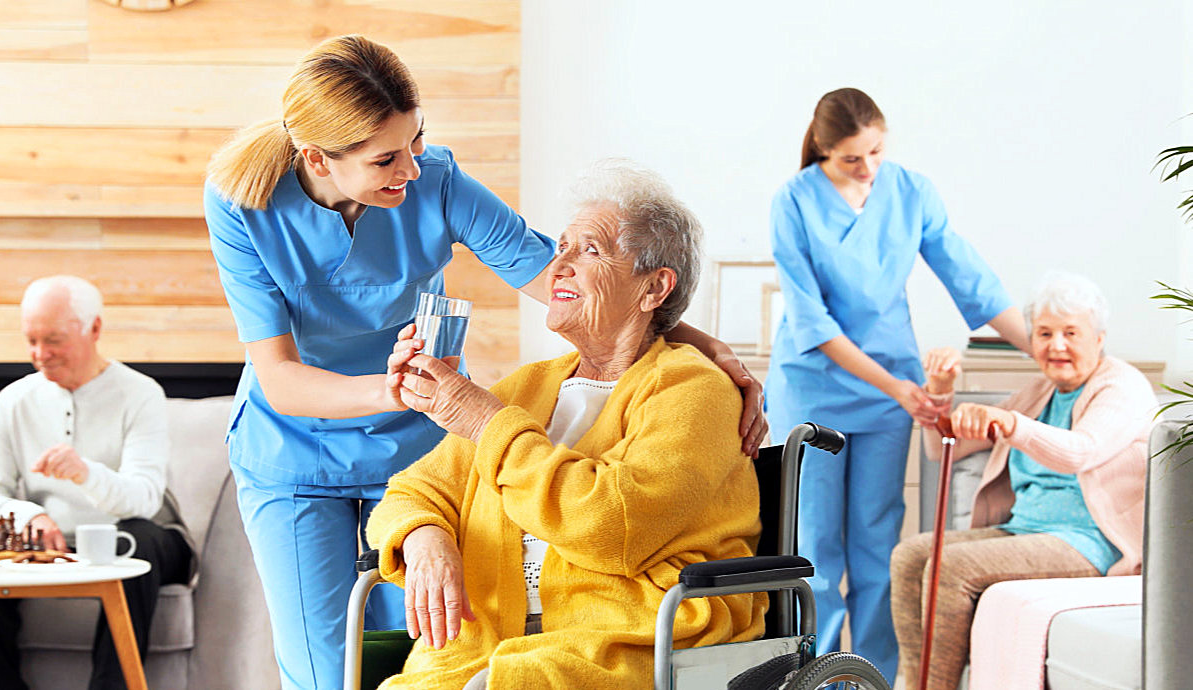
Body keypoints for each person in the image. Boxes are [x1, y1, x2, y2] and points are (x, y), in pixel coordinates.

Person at [204, 35, 769, 690]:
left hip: (414, 440)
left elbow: (560, 280)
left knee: (423, 644)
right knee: (326, 673)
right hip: (296, 443)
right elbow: (279, 377)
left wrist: (707, 348)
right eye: (386, 158)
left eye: (416, 142)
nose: (410, 170)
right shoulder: (243, 202)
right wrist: (413, 399)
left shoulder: (433, 180)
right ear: (318, 160)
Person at [365, 161, 764, 689]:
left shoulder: (691, 390)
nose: (559, 267)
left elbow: (612, 527)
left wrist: (486, 423)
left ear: (654, 288)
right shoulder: (527, 388)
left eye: (590, 250)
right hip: (491, 639)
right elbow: (413, 490)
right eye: (560, 248)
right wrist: (424, 540)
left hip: (625, 637)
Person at [765, 87, 1031, 678]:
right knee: (815, 547)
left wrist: (1040, 343)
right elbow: (814, 322)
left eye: (877, 152)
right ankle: (819, 677)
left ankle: (875, 675)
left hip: (890, 393)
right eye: (851, 159)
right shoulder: (794, 201)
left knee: (877, 541)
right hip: (816, 387)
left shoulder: (911, 192)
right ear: (822, 149)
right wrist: (897, 387)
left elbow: (969, 277)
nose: (868, 169)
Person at [891, 272, 1154, 690]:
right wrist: (941, 393)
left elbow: (1079, 451)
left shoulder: (1122, 387)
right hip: (1026, 531)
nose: (1057, 345)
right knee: (911, 555)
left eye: (1071, 333)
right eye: (1045, 334)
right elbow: (943, 447)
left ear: (1099, 338)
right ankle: (916, 683)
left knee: (952, 564)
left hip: (1091, 541)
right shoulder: (1038, 392)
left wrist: (1011, 424)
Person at [0, 276, 195, 690]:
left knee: (137, 538)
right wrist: (28, 514)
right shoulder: (14, 400)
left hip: (145, 536)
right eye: (30, 340)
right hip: (52, 541)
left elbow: (143, 498)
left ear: (95, 329)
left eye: (53, 340)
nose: (39, 354)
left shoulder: (140, 394)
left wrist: (85, 473)